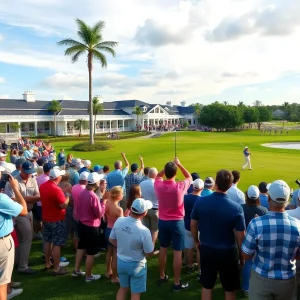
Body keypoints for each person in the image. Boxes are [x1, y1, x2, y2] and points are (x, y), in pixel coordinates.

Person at [190, 169, 246, 300]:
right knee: (229, 288)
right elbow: (240, 235)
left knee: (207, 286)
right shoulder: (236, 208)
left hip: (208, 249)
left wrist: (196, 242)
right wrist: (241, 255)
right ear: (230, 184)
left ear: (216, 183)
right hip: (228, 252)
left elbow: (193, 224)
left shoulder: (201, 201)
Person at [242, 180, 300, 300]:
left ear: (268, 199)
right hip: (287, 279)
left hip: (261, 278)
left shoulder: (256, 223)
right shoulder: (298, 225)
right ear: (287, 201)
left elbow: (246, 255)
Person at [154, 157, 192, 291]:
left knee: (163, 248)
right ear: (175, 174)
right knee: (177, 252)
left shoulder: (158, 185)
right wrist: (179, 165)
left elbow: (158, 175)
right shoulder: (180, 186)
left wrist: (168, 166)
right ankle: (176, 282)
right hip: (177, 223)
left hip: (163, 222)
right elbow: (189, 177)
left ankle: (162, 276)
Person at [109, 198, 154, 300]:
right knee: (135, 293)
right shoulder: (144, 231)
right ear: (144, 213)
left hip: (121, 262)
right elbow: (149, 252)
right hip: (137, 265)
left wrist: (122, 246)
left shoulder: (120, 221)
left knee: (123, 288)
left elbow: (111, 239)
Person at [4, 161, 40, 274]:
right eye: (27, 172)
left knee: (22, 239)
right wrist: (29, 199)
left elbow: (38, 197)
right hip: (18, 214)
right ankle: (23, 266)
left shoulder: (33, 180)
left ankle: (18, 262)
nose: (29, 175)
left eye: (31, 172)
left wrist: (23, 199)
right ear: (22, 170)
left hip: (29, 212)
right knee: (26, 238)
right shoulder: (12, 182)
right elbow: (11, 201)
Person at [0, 171, 28, 300]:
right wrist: (15, 188)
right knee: (1, 283)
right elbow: (23, 210)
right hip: (2, 242)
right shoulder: (2, 198)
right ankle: (7, 292)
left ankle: (9, 290)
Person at [74, 172, 106, 282]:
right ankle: (88, 276)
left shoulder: (82, 192)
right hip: (91, 227)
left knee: (81, 247)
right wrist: (104, 203)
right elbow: (100, 214)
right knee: (91, 253)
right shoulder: (93, 196)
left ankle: (77, 270)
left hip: (82, 224)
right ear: (96, 183)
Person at [39, 167, 70, 276]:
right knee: (57, 244)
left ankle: (48, 263)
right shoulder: (57, 190)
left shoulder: (43, 186)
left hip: (46, 218)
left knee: (47, 241)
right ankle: (56, 268)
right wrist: (67, 197)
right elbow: (63, 205)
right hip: (57, 219)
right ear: (58, 177)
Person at [241, 185, 268, 297]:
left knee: (247, 263)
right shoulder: (263, 210)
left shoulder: (241, 207)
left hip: (244, 238)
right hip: (260, 240)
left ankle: (246, 287)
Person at [184, 179, 203, 276]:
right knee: (198, 248)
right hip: (198, 227)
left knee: (189, 247)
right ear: (202, 188)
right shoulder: (202, 200)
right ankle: (200, 270)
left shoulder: (185, 197)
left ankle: (190, 266)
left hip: (187, 225)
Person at [105, 186, 123, 283]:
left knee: (109, 252)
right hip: (115, 232)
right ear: (118, 196)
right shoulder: (118, 209)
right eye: (122, 193)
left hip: (107, 229)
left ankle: (108, 271)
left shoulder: (107, 202)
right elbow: (121, 223)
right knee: (115, 254)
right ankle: (114, 277)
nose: (123, 195)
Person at [140, 167, 159, 248]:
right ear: (155, 175)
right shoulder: (157, 184)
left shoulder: (142, 183)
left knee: (146, 229)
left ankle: (146, 246)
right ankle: (151, 247)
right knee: (154, 230)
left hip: (145, 209)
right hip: (155, 210)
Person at [71, 171, 89, 250]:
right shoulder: (84, 189)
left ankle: (75, 248)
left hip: (75, 213)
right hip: (82, 215)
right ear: (86, 180)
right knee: (83, 235)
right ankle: (83, 252)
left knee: (76, 233)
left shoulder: (74, 187)